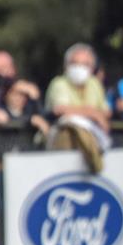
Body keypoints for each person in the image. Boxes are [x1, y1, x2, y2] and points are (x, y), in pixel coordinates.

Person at [44, 42, 112, 173]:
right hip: (62, 140)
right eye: (74, 63)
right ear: (66, 66)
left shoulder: (94, 84)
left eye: (85, 64)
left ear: (92, 68)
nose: (79, 68)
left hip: (94, 137)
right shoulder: (59, 83)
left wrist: (91, 113)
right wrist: (93, 113)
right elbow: (60, 109)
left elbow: (106, 111)